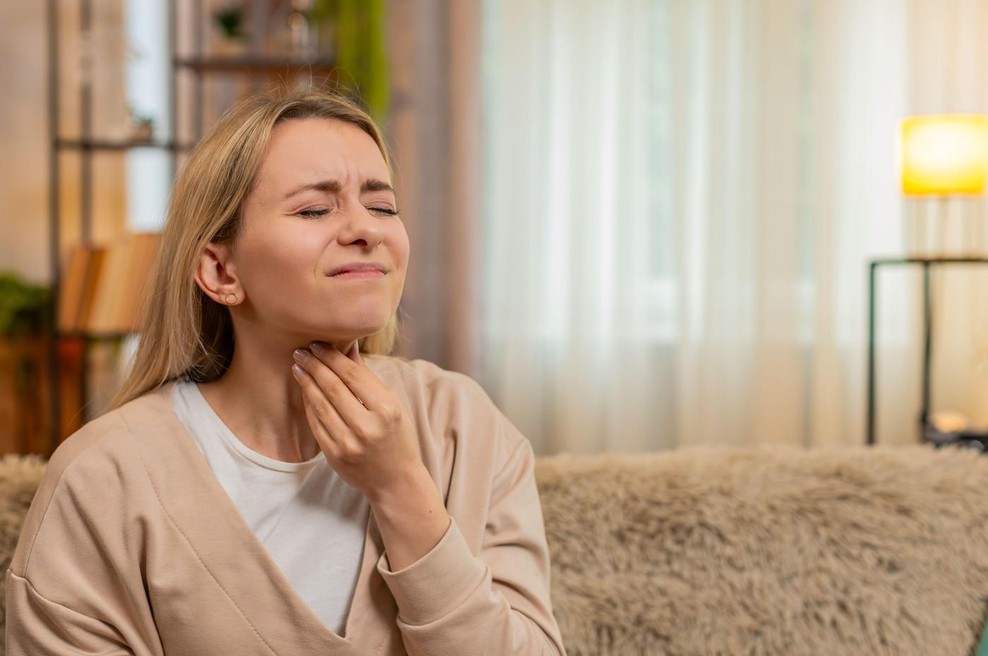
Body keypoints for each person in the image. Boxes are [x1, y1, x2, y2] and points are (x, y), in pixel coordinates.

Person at [6, 89, 564, 655]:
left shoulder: (463, 427)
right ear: (220, 270)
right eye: (315, 210)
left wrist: (399, 488)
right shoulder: (105, 477)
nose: (365, 230)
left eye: (383, 206)